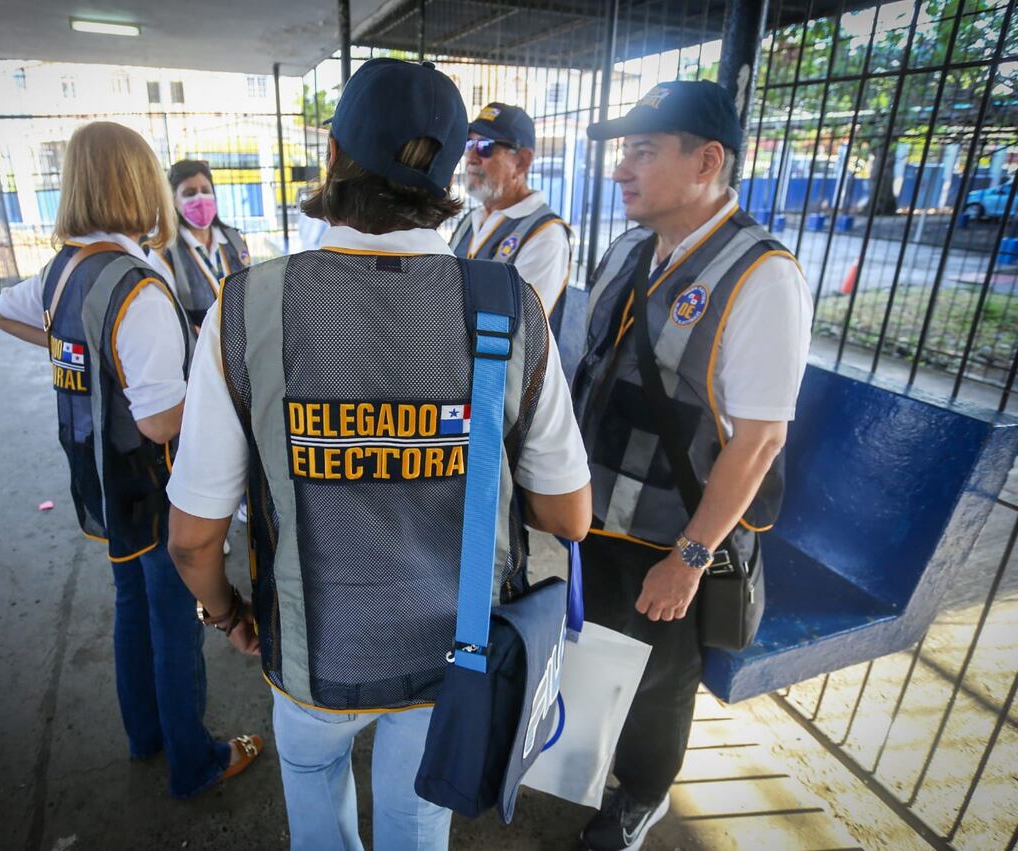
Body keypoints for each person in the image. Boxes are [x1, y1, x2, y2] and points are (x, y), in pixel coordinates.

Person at [165, 59, 592, 850]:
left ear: (333, 154)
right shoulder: (508, 307)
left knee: (317, 818)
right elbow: (569, 515)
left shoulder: (247, 306)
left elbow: (192, 538)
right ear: (450, 175)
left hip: (310, 653)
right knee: (414, 824)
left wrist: (226, 614)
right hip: (454, 657)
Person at [0, 121, 262, 800]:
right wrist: (221, 399)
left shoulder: (65, 269)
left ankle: (146, 736)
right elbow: (160, 419)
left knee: (132, 604)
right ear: (140, 185)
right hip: (150, 478)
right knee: (175, 622)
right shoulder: (137, 286)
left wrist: (84, 357)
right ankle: (194, 761)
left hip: (100, 475)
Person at [571, 80, 812, 851]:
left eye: (642, 151)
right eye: (623, 151)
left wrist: (690, 557)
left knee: (659, 679)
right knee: (594, 649)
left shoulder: (761, 277)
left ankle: (642, 793)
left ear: (707, 161)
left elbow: (760, 440)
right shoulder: (628, 249)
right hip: (592, 511)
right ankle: (583, 763)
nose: (621, 169)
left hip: (670, 533)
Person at [449, 102, 573, 333]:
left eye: (485, 146)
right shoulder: (471, 220)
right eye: (469, 144)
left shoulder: (545, 235)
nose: (472, 157)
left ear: (522, 161)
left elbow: (519, 327)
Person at [160, 159, 254, 328]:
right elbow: (167, 318)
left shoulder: (234, 239)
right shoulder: (166, 253)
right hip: (197, 343)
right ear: (173, 200)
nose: (200, 198)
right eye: (189, 193)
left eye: (205, 191)